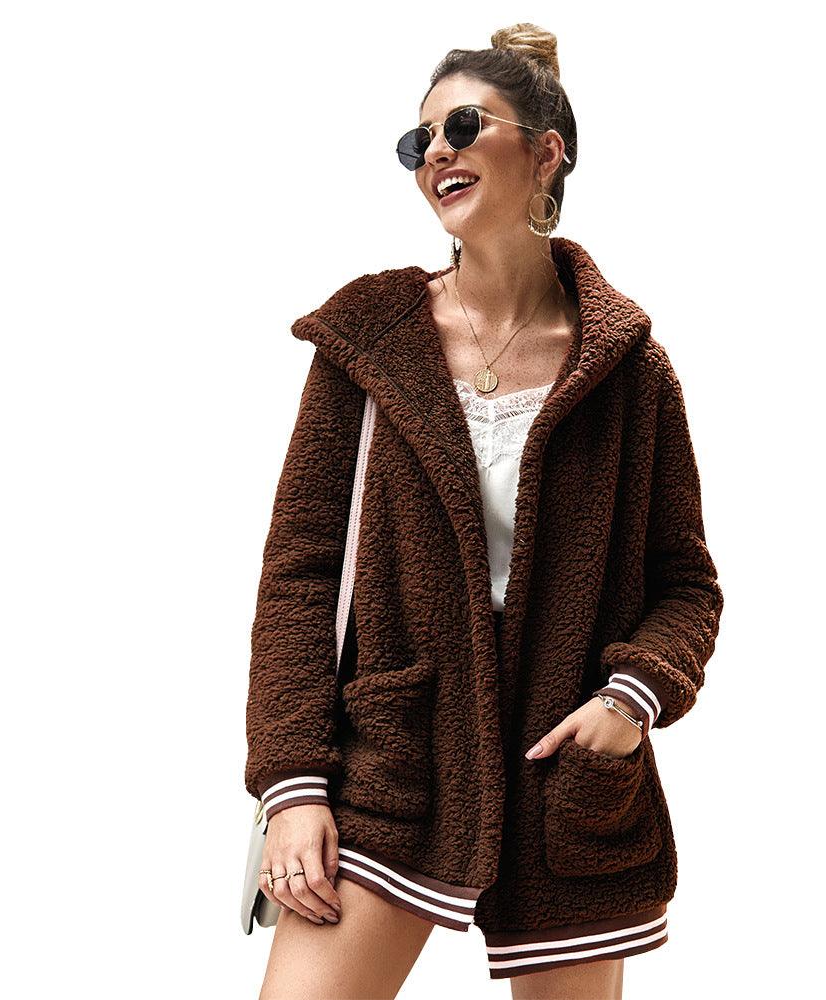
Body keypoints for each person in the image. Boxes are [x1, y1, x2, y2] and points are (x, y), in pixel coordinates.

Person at [246, 23, 724, 1000]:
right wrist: (292, 784)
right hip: (395, 767)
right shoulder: (368, 344)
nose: (436, 152)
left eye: (462, 125)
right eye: (417, 139)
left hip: (564, 786)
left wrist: (627, 703)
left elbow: (686, 586)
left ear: (547, 151)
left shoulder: (630, 371)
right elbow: (299, 579)